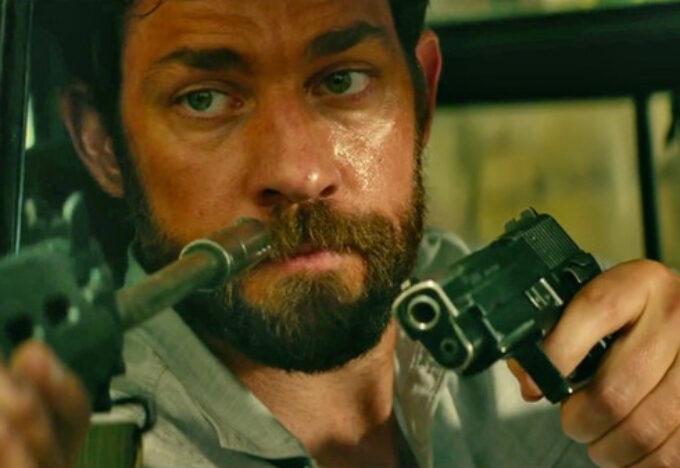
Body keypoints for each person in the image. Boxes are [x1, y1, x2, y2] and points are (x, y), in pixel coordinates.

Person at [2, 0, 680, 467]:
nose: (298, 172)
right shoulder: (65, 439)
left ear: (422, 96)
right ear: (101, 144)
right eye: (204, 98)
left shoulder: (585, 349)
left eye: (343, 80)